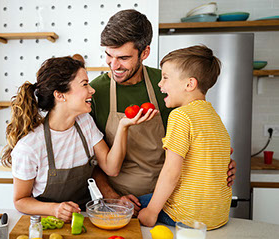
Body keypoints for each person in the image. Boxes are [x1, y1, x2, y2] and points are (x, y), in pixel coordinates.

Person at [90, 9, 236, 214]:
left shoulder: (169, 85)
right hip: (120, 203)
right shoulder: (96, 92)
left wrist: (220, 162)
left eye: (123, 57)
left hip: (172, 202)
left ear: (145, 53)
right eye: (108, 55)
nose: (113, 65)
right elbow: (90, 162)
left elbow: (198, 136)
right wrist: (113, 198)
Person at [1, 57, 154, 222]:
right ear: (60, 95)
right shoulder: (30, 146)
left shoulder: (84, 122)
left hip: (85, 218)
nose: (92, 90)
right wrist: (54, 209)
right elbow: (20, 201)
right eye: (85, 84)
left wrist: (123, 126)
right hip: (47, 222)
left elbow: (111, 168)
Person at [137, 45, 232, 230]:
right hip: (217, 216)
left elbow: (171, 172)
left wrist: (151, 212)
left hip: (187, 216)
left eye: (165, 78)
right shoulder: (214, 117)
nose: (160, 84)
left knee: (132, 203)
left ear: (189, 84)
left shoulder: (181, 116)